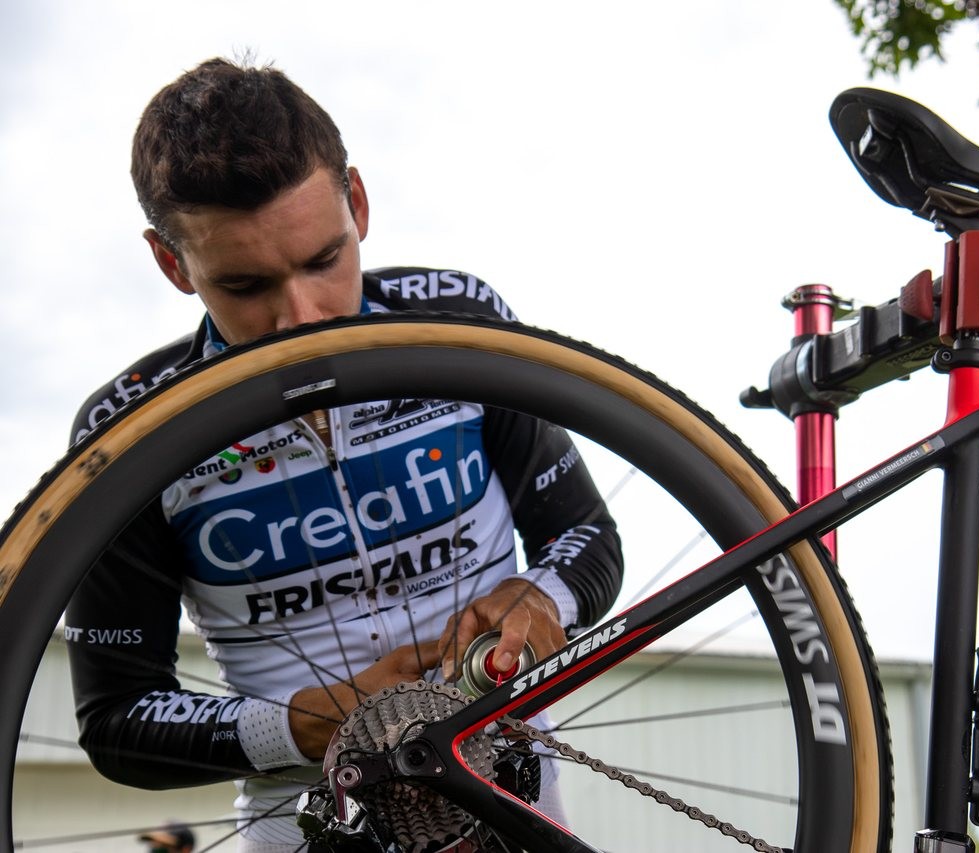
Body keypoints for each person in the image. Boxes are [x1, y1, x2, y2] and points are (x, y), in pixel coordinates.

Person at [64, 58, 623, 852]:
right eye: (247, 284)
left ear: (356, 202)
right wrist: (297, 722)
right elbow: (118, 719)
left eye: (325, 259)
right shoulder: (130, 429)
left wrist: (543, 600)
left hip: (500, 797)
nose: (302, 317)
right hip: (310, 823)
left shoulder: (459, 321)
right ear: (172, 263)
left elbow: (589, 538)